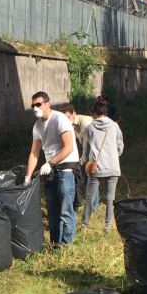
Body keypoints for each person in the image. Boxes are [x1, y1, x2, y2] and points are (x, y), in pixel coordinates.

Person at [24, 91, 79, 247]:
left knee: (65, 209)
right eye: (33, 105)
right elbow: (34, 153)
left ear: (47, 103)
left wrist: (51, 163)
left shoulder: (59, 119)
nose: (35, 108)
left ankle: (66, 244)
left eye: (38, 104)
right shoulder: (38, 126)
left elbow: (68, 147)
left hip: (66, 169)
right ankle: (56, 244)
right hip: (51, 171)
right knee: (52, 210)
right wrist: (28, 176)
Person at [81, 99, 124, 232]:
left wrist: (84, 161)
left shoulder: (89, 128)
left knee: (89, 197)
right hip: (113, 166)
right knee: (111, 197)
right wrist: (113, 156)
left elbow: (85, 150)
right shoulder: (115, 126)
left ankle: (84, 225)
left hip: (96, 167)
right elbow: (120, 146)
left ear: (93, 112)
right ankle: (107, 226)